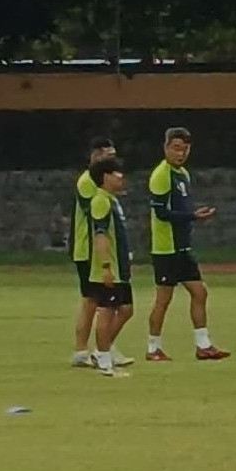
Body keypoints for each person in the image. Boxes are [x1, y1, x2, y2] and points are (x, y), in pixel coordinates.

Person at [144, 127, 227, 361]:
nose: (181, 154)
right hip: (166, 248)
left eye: (185, 149)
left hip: (182, 247)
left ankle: (203, 345)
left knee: (199, 292)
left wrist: (193, 213)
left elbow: (179, 209)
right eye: (176, 148)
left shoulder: (183, 174)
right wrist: (192, 217)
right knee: (164, 299)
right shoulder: (161, 175)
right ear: (166, 148)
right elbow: (161, 213)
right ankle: (153, 348)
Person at [69, 135, 131, 369]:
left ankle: (94, 349)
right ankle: (91, 350)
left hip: (97, 251)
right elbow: (95, 217)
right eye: (108, 157)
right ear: (96, 156)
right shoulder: (88, 183)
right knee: (94, 301)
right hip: (88, 250)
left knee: (98, 302)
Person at [85, 159, 137, 377]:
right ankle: (105, 362)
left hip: (120, 268)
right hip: (109, 268)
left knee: (126, 309)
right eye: (117, 173)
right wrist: (106, 266)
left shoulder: (112, 200)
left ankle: (101, 351)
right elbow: (100, 235)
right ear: (105, 177)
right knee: (106, 312)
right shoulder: (100, 201)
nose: (121, 177)